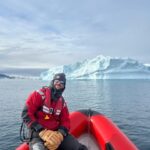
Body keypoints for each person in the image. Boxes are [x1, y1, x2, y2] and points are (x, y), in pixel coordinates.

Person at [21, 73, 88, 150]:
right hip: (37, 134)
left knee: (78, 148)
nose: (59, 84)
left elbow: (65, 121)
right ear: (52, 82)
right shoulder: (38, 95)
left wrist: (60, 134)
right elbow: (26, 114)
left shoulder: (62, 102)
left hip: (56, 133)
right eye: (56, 81)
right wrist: (42, 131)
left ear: (64, 86)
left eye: (61, 83)